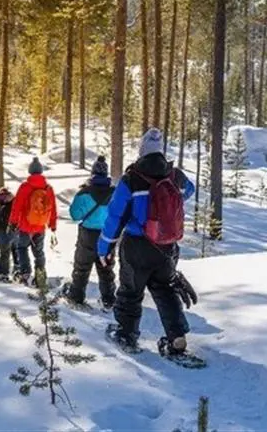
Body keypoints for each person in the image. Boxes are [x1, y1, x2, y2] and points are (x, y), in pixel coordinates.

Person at [99, 129, 197, 354]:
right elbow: (189, 190)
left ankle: (126, 334)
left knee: (130, 292)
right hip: (167, 248)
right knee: (165, 290)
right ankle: (177, 338)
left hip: (137, 246)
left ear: (141, 151)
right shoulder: (175, 175)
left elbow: (115, 216)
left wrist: (105, 247)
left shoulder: (132, 179)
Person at [64, 156, 116, 308]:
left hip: (87, 235)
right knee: (106, 268)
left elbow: (75, 215)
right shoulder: (114, 193)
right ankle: (108, 300)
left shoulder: (84, 192)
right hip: (107, 235)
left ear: (92, 172)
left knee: (82, 267)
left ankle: (76, 297)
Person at [8, 157, 58, 287]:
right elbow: (53, 208)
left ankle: (25, 273)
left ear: (30, 171)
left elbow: (16, 206)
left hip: (25, 226)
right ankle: (40, 276)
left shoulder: (25, 187)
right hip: (40, 227)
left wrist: (12, 223)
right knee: (39, 252)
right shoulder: (48, 188)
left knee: (22, 248)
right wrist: (53, 225)